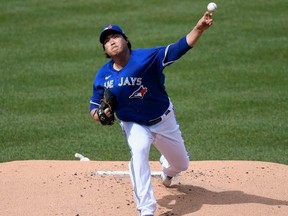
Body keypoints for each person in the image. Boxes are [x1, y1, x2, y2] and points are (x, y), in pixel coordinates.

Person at [89, 11, 213, 216]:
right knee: (139, 150)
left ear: (126, 40)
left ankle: (168, 170)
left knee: (182, 163)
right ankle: (146, 209)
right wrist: (100, 115)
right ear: (104, 49)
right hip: (133, 124)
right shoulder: (103, 75)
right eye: (107, 41)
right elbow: (94, 107)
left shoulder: (148, 57)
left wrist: (198, 29)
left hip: (164, 120)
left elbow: (179, 48)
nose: (111, 42)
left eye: (115, 37)